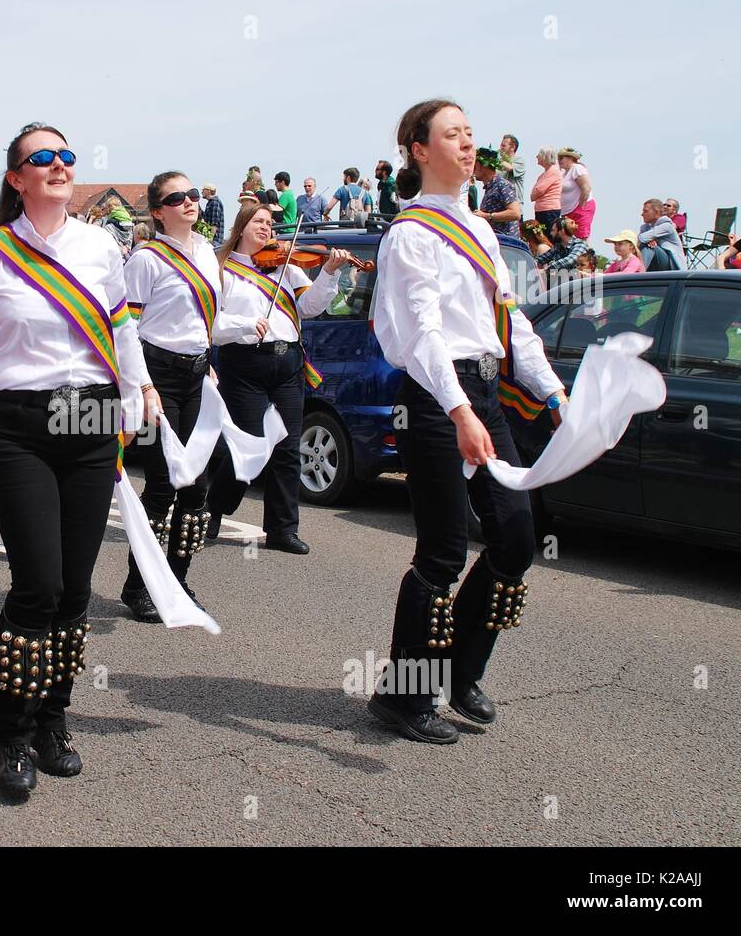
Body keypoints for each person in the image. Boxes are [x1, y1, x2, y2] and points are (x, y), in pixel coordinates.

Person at [0, 123, 158, 797]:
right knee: (38, 586)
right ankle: (14, 733)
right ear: (17, 178)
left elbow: (119, 327)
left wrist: (137, 388)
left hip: (89, 418)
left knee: (77, 588)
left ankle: (55, 717)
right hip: (20, 423)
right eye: (42, 158)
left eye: (66, 156)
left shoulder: (101, 247)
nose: (58, 165)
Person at [370, 99, 567, 744]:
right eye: (452, 134)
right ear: (420, 150)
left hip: (483, 391)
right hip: (436, 398)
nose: (467, 143)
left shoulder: (481, 230)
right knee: (444, 551)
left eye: (470, 133)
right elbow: (422, 332)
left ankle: (460, 670)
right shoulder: (409, 235)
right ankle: (402, 696)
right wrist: (457, 410)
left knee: (516, 536)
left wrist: (556, 394)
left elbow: (509, 325)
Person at [204, 200, 349, 555]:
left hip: (288, 363)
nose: (267, 228)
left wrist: (329, 273)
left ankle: (282, 529)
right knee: (250, 445)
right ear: (241, 226)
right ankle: (214, 507)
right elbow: (211, 325)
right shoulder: (221, 269)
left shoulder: (287, 267)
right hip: (245, 363)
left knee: (287, 448)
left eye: (270, 223)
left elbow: (312, 307)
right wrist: (243, 325)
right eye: (259, 221)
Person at [117, 170, 222, 624]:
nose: (189, 202)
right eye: (177, 197)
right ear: (158, 211)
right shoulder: (146, 259)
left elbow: (206, 320)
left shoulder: (208, 254)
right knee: (163, 483)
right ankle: (140, 585)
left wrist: (210, 361)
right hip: (158, 375)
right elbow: (127, 330)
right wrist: (143, 386)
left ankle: (178, 580)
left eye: (193, 194)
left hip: (198, 374)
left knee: (198, 485)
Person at [472, 147, 521, 238]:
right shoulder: (490, 187)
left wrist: (487, 216)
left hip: (506, 243)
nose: (472, 169)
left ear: (484, 166)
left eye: (475, 165)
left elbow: (515, 213)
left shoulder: (501, 185)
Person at [536, 216, 590, 285]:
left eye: (553, 230)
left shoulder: (580, 244)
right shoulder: (558, 246)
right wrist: (531, 264)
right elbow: (542, 258)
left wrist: (546, 270)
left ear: (562, 231)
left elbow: (569, 260)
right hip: (564, 287)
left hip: (579, 288)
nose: (551, 233)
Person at [557, 148, 595, 238]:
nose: (559, 160)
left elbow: (586, 187)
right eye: (558, 158)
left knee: (581, 236)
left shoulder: (577, 168)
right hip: (568, 211)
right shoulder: (563, 173)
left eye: (562, 158)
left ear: (571, 158)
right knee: (569, 238)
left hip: (579, 208)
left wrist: (581, 206)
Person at [638, 198, 685, 271]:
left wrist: (649, 239)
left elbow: (641, 238)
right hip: (655, 260)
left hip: (671, 265)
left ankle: (638, 274)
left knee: (649, 247)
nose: (642, 214)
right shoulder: (645, 227)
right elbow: (639, 242)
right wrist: (649, 239)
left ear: (656, 212)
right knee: (637, 246)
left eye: (645, 211)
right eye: (664, 205)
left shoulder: (667, 225)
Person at [529, 146, 562, 235]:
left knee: (547, 235)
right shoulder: (545, 174)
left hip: (549, 210)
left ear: (545, 156)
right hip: (542, 209)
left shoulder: (553, 171)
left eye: (539, 154)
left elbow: (539, 190)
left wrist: (533, 194)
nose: (537, 156)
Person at [498, 134, 526, 202]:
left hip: (514, 205)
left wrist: (494, 160)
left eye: (503, 146)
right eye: (500, 145)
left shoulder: (519, 160)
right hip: (499, 206)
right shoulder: (498, 163)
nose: (500, 148)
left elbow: (510, 168)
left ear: (513, 147)